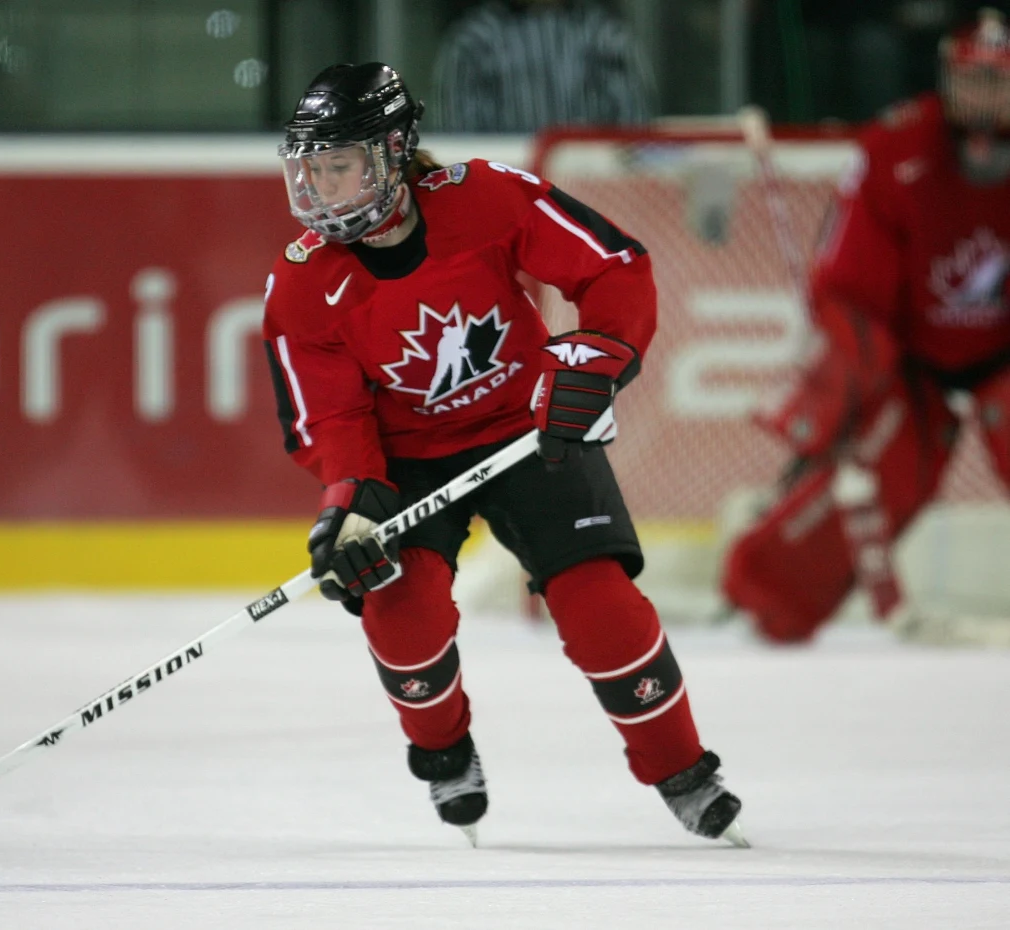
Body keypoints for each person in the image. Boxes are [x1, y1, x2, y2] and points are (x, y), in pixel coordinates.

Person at [262, 61, 745, 846]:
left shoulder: (484, 197)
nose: (317, 190)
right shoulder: (300, 284)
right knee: (401, 616)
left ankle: (684, 769)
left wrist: (596, 356)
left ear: (391, 152)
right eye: (309, 169)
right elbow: (330, 416)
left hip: (532, 430)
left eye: (338, 165)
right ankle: (443, 750)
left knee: (603, 611)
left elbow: (613, 267)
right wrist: (349, 502)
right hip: (405, 459)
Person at [721, 8, 1010, 643]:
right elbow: (850, 288)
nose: (983, 98)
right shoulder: (898, 147)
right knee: (874, 484)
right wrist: (850, 376)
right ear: (945, 78)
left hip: (1003, 359)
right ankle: (768, 591)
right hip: (916, 363)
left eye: (997, 82)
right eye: (971, 80)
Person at [430, 0, 654, 132]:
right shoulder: (473, 42)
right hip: (504, 193)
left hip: (594, 191)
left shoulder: (607, 37)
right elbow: (457, 147)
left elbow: (635, 140)